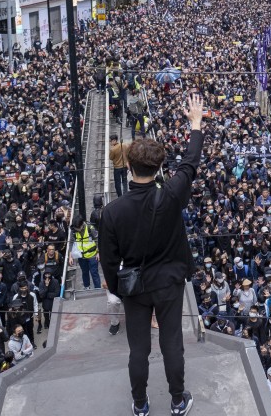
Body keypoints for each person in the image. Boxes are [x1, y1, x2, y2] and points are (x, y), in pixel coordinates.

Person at [99, 93, 205, 416]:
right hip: (170, 283)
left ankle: (141, 404)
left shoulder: (112, 212)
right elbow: (189, 163)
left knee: (139, 350)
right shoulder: (172, 195)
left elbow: (107, 259)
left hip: (135, 288)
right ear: (160, 168)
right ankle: (177, 400)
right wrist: (196, 124)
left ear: (128, 166)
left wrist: (120, 289)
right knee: (172, 342)